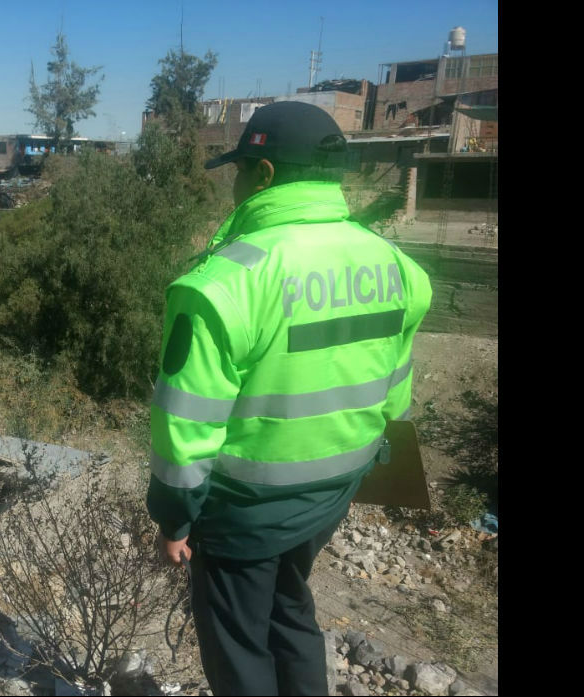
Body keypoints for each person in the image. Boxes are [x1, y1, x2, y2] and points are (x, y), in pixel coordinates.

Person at [146, 101, 432, 696]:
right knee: (289, 608)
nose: (237, 184)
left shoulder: (224, 283)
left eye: (242, 170)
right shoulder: (395, 265)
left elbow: (186, 424)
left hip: (245, 511)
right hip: (333, 492)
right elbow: (394, 390)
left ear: (266, 174)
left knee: (238, 647)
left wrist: (174, 521)